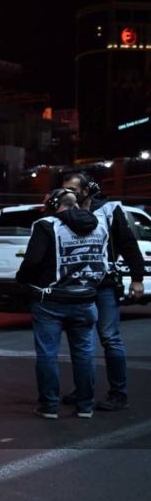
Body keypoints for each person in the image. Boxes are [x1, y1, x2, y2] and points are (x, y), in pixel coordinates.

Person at [15, 189, 103, 419]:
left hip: (51, 300)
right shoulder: (99, 224)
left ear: (55, 204)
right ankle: (85, 406)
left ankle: (49, 406)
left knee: (47, 354)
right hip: (86, 298)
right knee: (84, 355)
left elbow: (33, 260)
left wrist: (22, 280)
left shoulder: (46, 224)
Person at [61, 172, 145, 411]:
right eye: (65, 189)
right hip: (76, 287)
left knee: (110, 338)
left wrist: (137, 279)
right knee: (81, 341)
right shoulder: (65, 211)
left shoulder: (108, 210)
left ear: (87, 190)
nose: (68, 194)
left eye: (73, 190)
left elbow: (128, 243)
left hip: (105, 285)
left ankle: (119, 394)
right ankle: (83, 391)